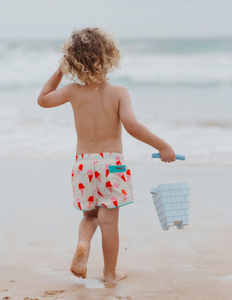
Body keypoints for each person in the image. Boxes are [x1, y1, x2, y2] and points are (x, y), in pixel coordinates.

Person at [37, 27, 176, 283]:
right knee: (109, 223)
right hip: (112, 166)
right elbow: (132, 127)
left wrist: (59, 71)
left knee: (89, 216)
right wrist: (163, 146)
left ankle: (82, 243)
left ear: (72, 61)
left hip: (84, 165)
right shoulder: (119, 92)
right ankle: (110, 274)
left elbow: (43, 99)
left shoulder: (71, 91)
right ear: (109, 57)